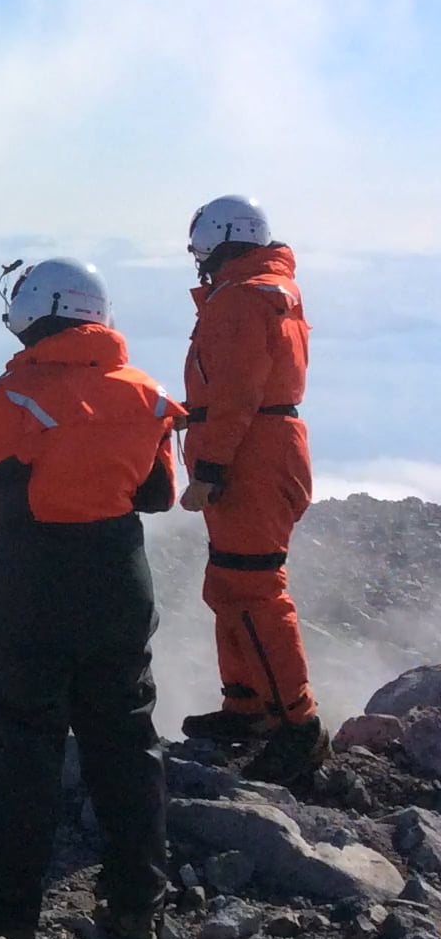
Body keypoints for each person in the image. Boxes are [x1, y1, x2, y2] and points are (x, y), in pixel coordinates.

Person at [0, 258, 181, 939]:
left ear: (36, 315)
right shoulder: (145, 393)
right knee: (126, 744)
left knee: (25, 754)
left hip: (30, 592)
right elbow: (158, 494)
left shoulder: (14, 398)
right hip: (120, 585)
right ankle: (136, 910)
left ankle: (8, 924)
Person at [176, 195, 329, 784]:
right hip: (269, 448)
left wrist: (209, 468)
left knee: (254, 589)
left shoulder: (238, 299)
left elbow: (237, 391)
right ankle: (248, 705)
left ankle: (297, 725)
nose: (199, 260)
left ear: (220, 240)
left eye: (201, 248)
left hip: (251, 459)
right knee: (230, 583)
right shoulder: (269, 291)